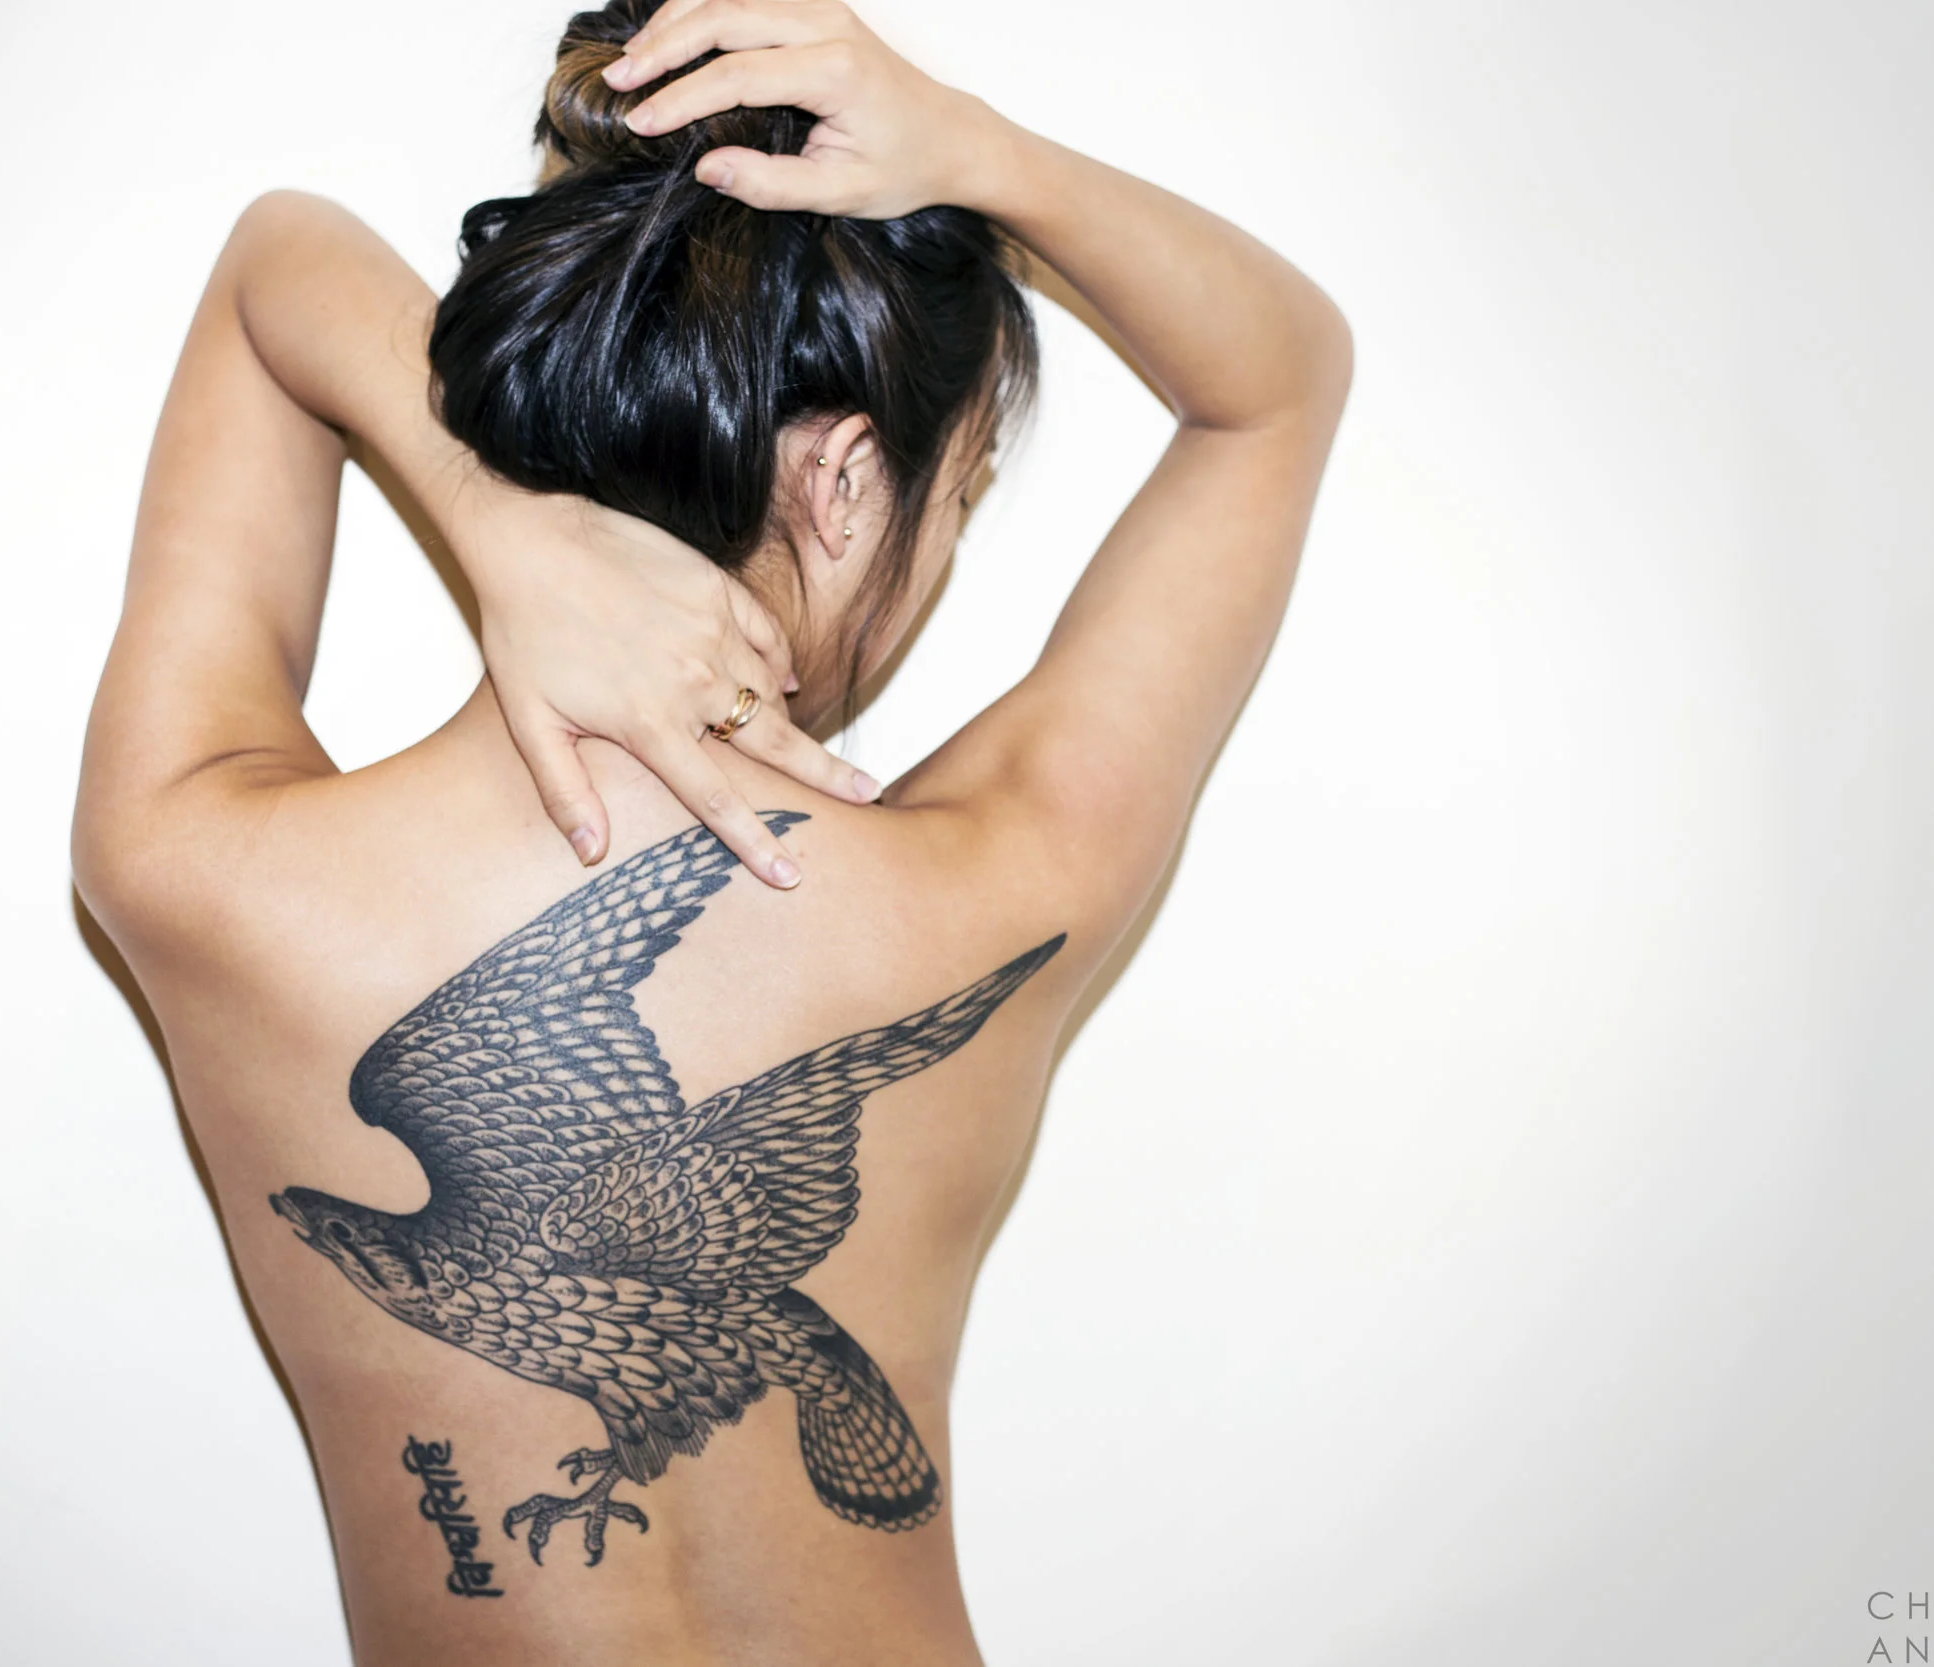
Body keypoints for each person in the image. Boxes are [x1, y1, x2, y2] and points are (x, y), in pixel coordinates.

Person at [72, 1, 1350, 1660]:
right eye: (957, 493)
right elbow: (1275, 383)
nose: (945, 546)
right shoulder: (994, 877)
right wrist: (979, 152)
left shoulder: (211, 869)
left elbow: (273, 268)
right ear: (847, 481)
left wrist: (495, 516)